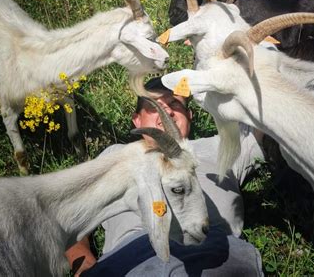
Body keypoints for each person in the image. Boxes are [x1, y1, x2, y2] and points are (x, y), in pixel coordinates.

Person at [65, 77, 265, 276]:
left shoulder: (221, 146)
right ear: (137, 120)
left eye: (175, 104)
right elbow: (72, 214)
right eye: (153, 106)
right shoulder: (115, 154)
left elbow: (269, 118)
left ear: (189, 115)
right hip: (134, 254)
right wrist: (82, 263)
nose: (167, 111)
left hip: (215, 249)